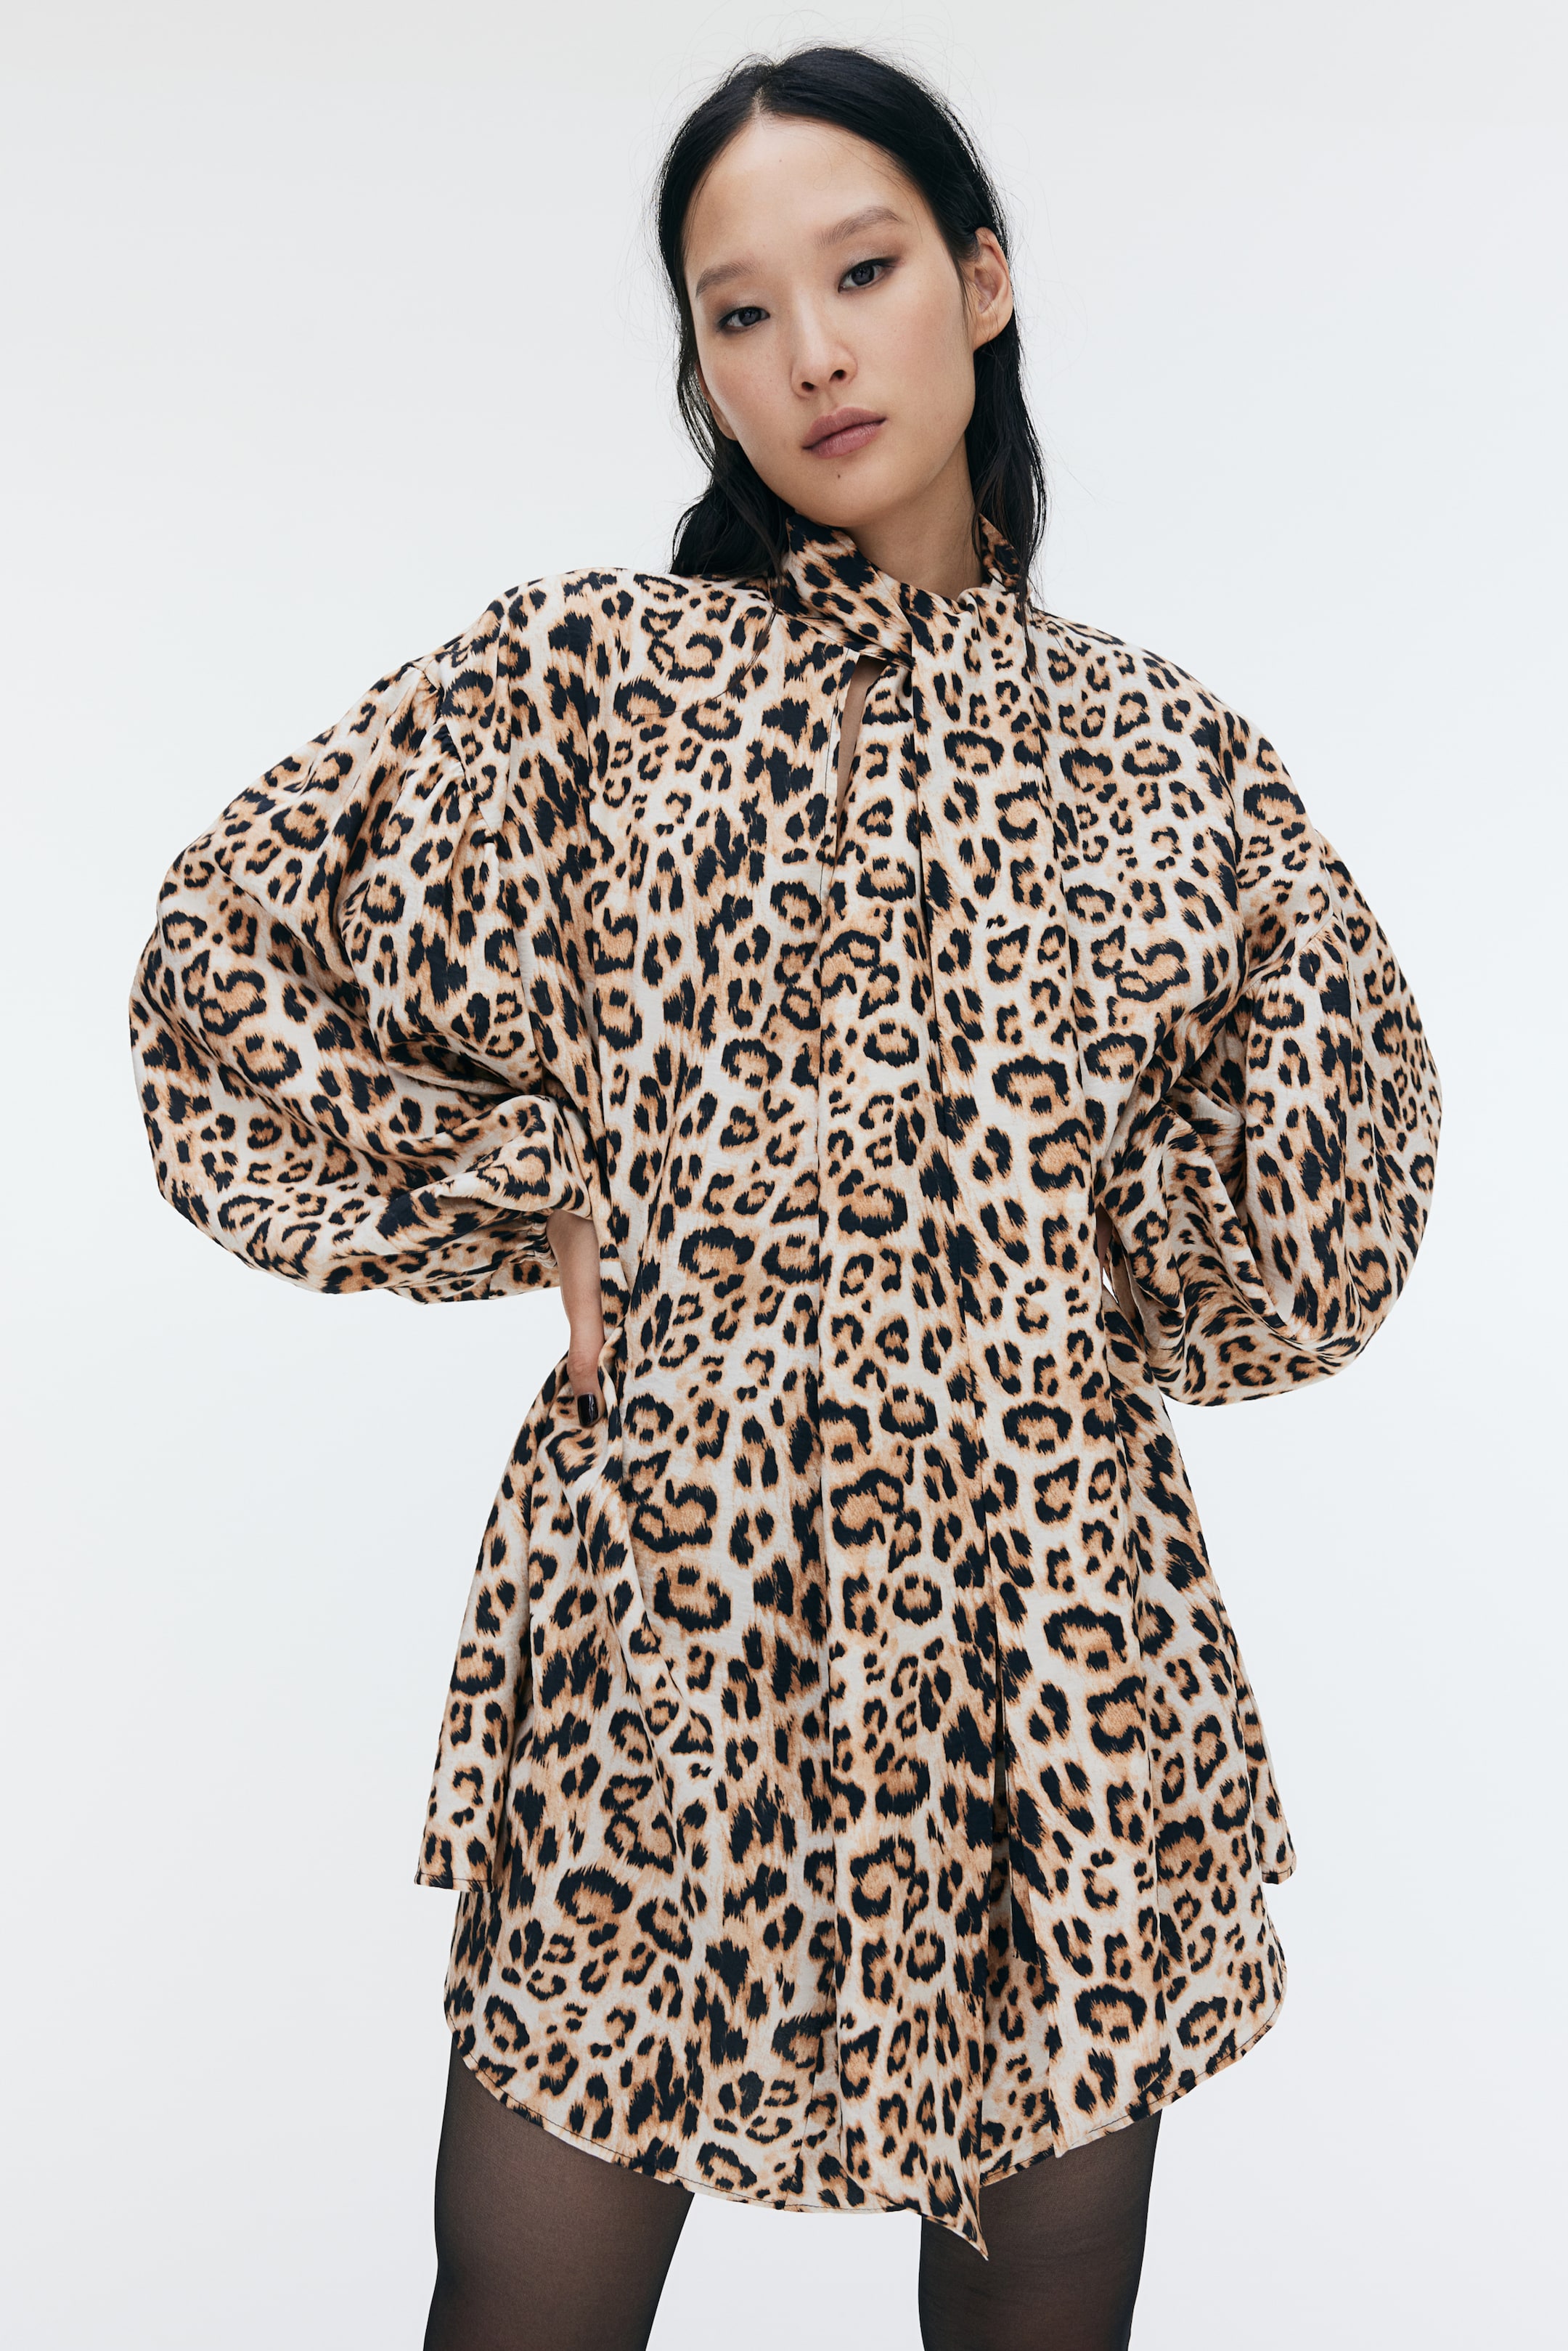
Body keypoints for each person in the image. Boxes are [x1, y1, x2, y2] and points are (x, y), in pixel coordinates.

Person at [127, 43, 1441, 2351]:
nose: (812, 352)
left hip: (1052, 1678)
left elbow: (1330, 1218)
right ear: (701, 365)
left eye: (863, 272)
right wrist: (520, 1191)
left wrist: (1084, 1287)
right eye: (738, 312)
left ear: (983, 282)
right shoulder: (587, 686)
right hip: (664, 1636)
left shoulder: (1169, 759)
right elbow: (222, 977)